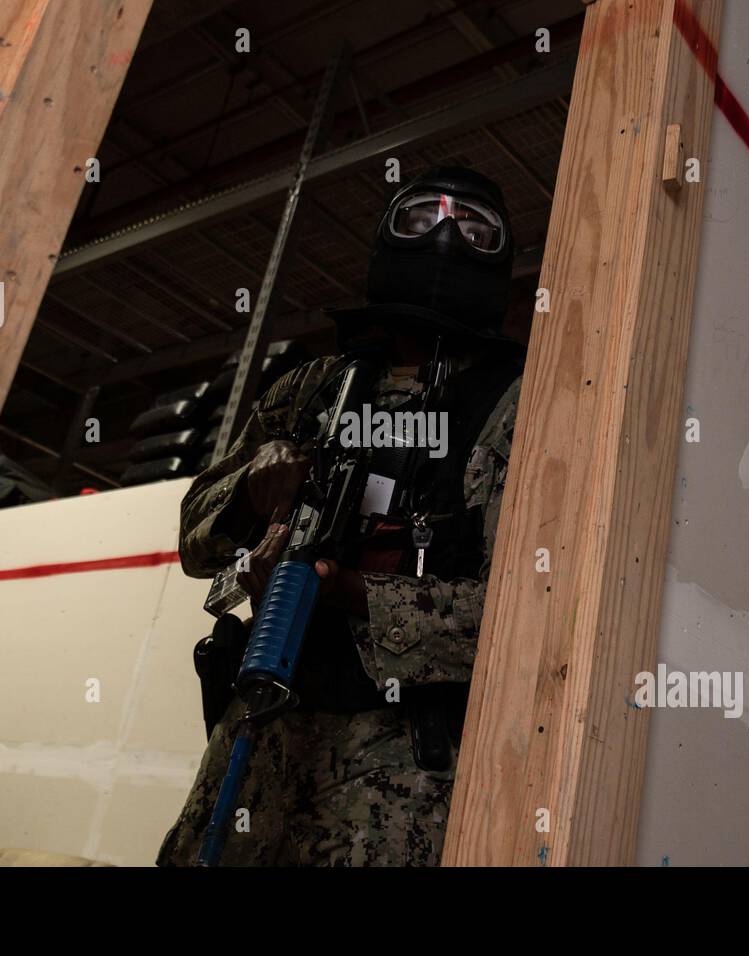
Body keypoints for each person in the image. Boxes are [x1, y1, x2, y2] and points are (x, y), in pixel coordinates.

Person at [157, 166, 524, 866]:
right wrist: (251, 500)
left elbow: (527, 622)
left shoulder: (512, 408)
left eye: (474, 229)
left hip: (393, 777)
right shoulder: (310, 389)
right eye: (422, 218)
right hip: (255, 741)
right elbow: (194, 541)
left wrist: (352, 593)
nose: (446, 236)